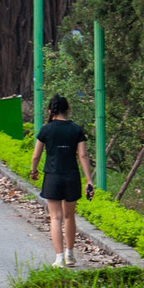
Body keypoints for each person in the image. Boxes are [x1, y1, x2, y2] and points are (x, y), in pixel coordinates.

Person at [30, 94, 95, 268]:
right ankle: (70, 254)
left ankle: (59, 258)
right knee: (69, 216)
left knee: (55, 217)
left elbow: (36, 155)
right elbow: (83, 155)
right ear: (68, 109)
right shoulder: (76, 129)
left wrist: (33, 171)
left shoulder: (46, 129)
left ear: (50, 111)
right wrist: (89, 180)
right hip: (71, 176)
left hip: (52, 176)